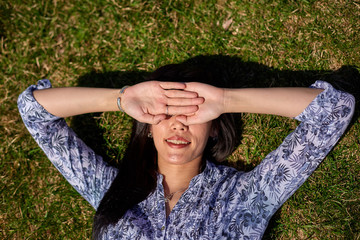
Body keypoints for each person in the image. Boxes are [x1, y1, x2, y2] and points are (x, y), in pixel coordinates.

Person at [18, 64, 355, 239]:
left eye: (192, 114)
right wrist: (121, 99)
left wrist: (225, 100)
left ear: (213, 129)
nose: (178, 125)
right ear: (147, 127)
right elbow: (33, 112)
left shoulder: (247, 196)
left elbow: (334, 110)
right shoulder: (116, 192)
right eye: (165, 114)